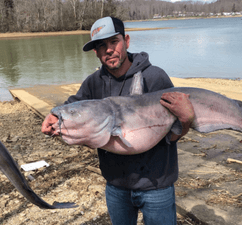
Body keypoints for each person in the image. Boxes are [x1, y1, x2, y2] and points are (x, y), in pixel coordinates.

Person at [42, 16, 195, 225]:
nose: (108, 50)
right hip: (116, 186)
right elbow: (74, 105)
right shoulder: (93, 83)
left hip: (157, 185)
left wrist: (186, 120)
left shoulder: (155, 78)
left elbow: (175, 133)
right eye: (101, 46)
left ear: (127, 41)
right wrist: (53, 114)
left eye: (114, 42)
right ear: (95, 52)